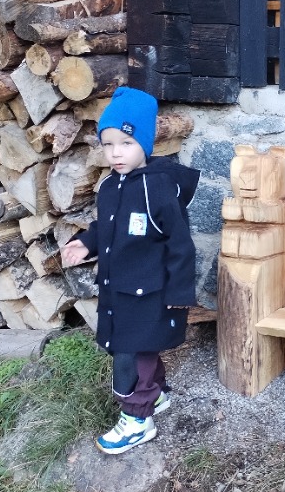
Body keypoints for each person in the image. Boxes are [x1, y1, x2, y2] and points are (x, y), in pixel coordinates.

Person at [61, 87, 199, 455]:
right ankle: (157, 395)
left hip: (150, 293)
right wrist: (87, 242)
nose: (116, 153)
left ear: (145, 143)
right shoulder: (109, 187)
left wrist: (179, 293)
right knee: (136, 349)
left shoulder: (159, 189)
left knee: (132, 355)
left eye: (126, 142)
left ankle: (138, 420)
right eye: (108, 144)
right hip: (118, 289)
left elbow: (181, 244)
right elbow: (107, 226)